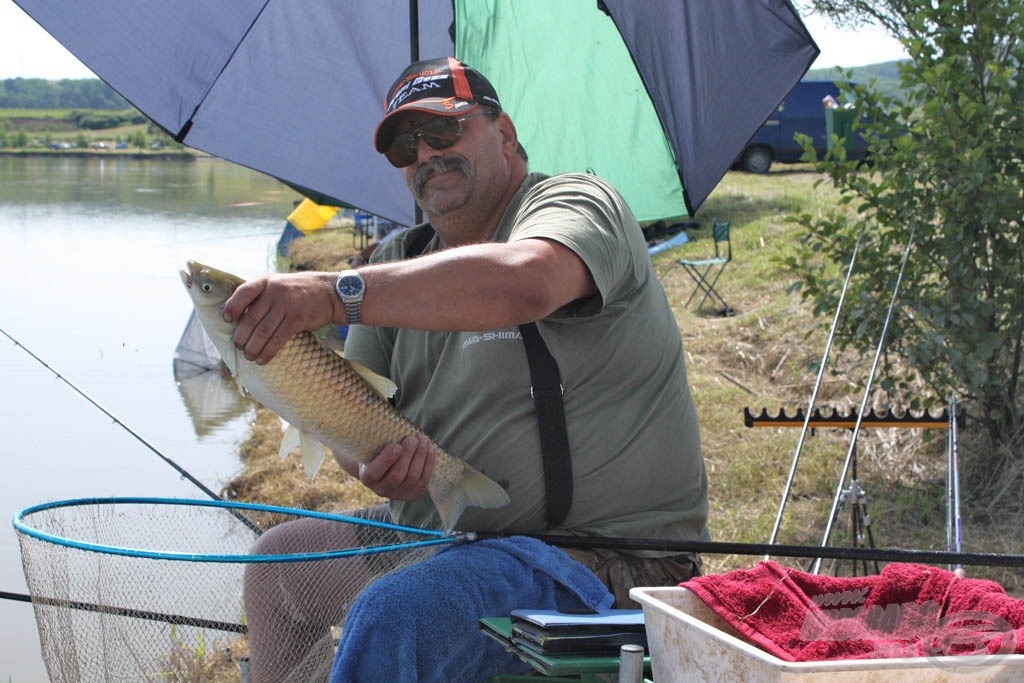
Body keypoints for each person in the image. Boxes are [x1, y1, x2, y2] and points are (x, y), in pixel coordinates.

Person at [227, 57, 709, 683]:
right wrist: (375, 468)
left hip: (596, 560)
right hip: (444, 540)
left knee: (400, 614)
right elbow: (351, 416)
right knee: (275, 568)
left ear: (504, 134)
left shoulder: (578, 204)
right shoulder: (396, 258)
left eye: (443, 130)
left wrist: (330, 294)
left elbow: (526, 282)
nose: (425, 153)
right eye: (405, 145)